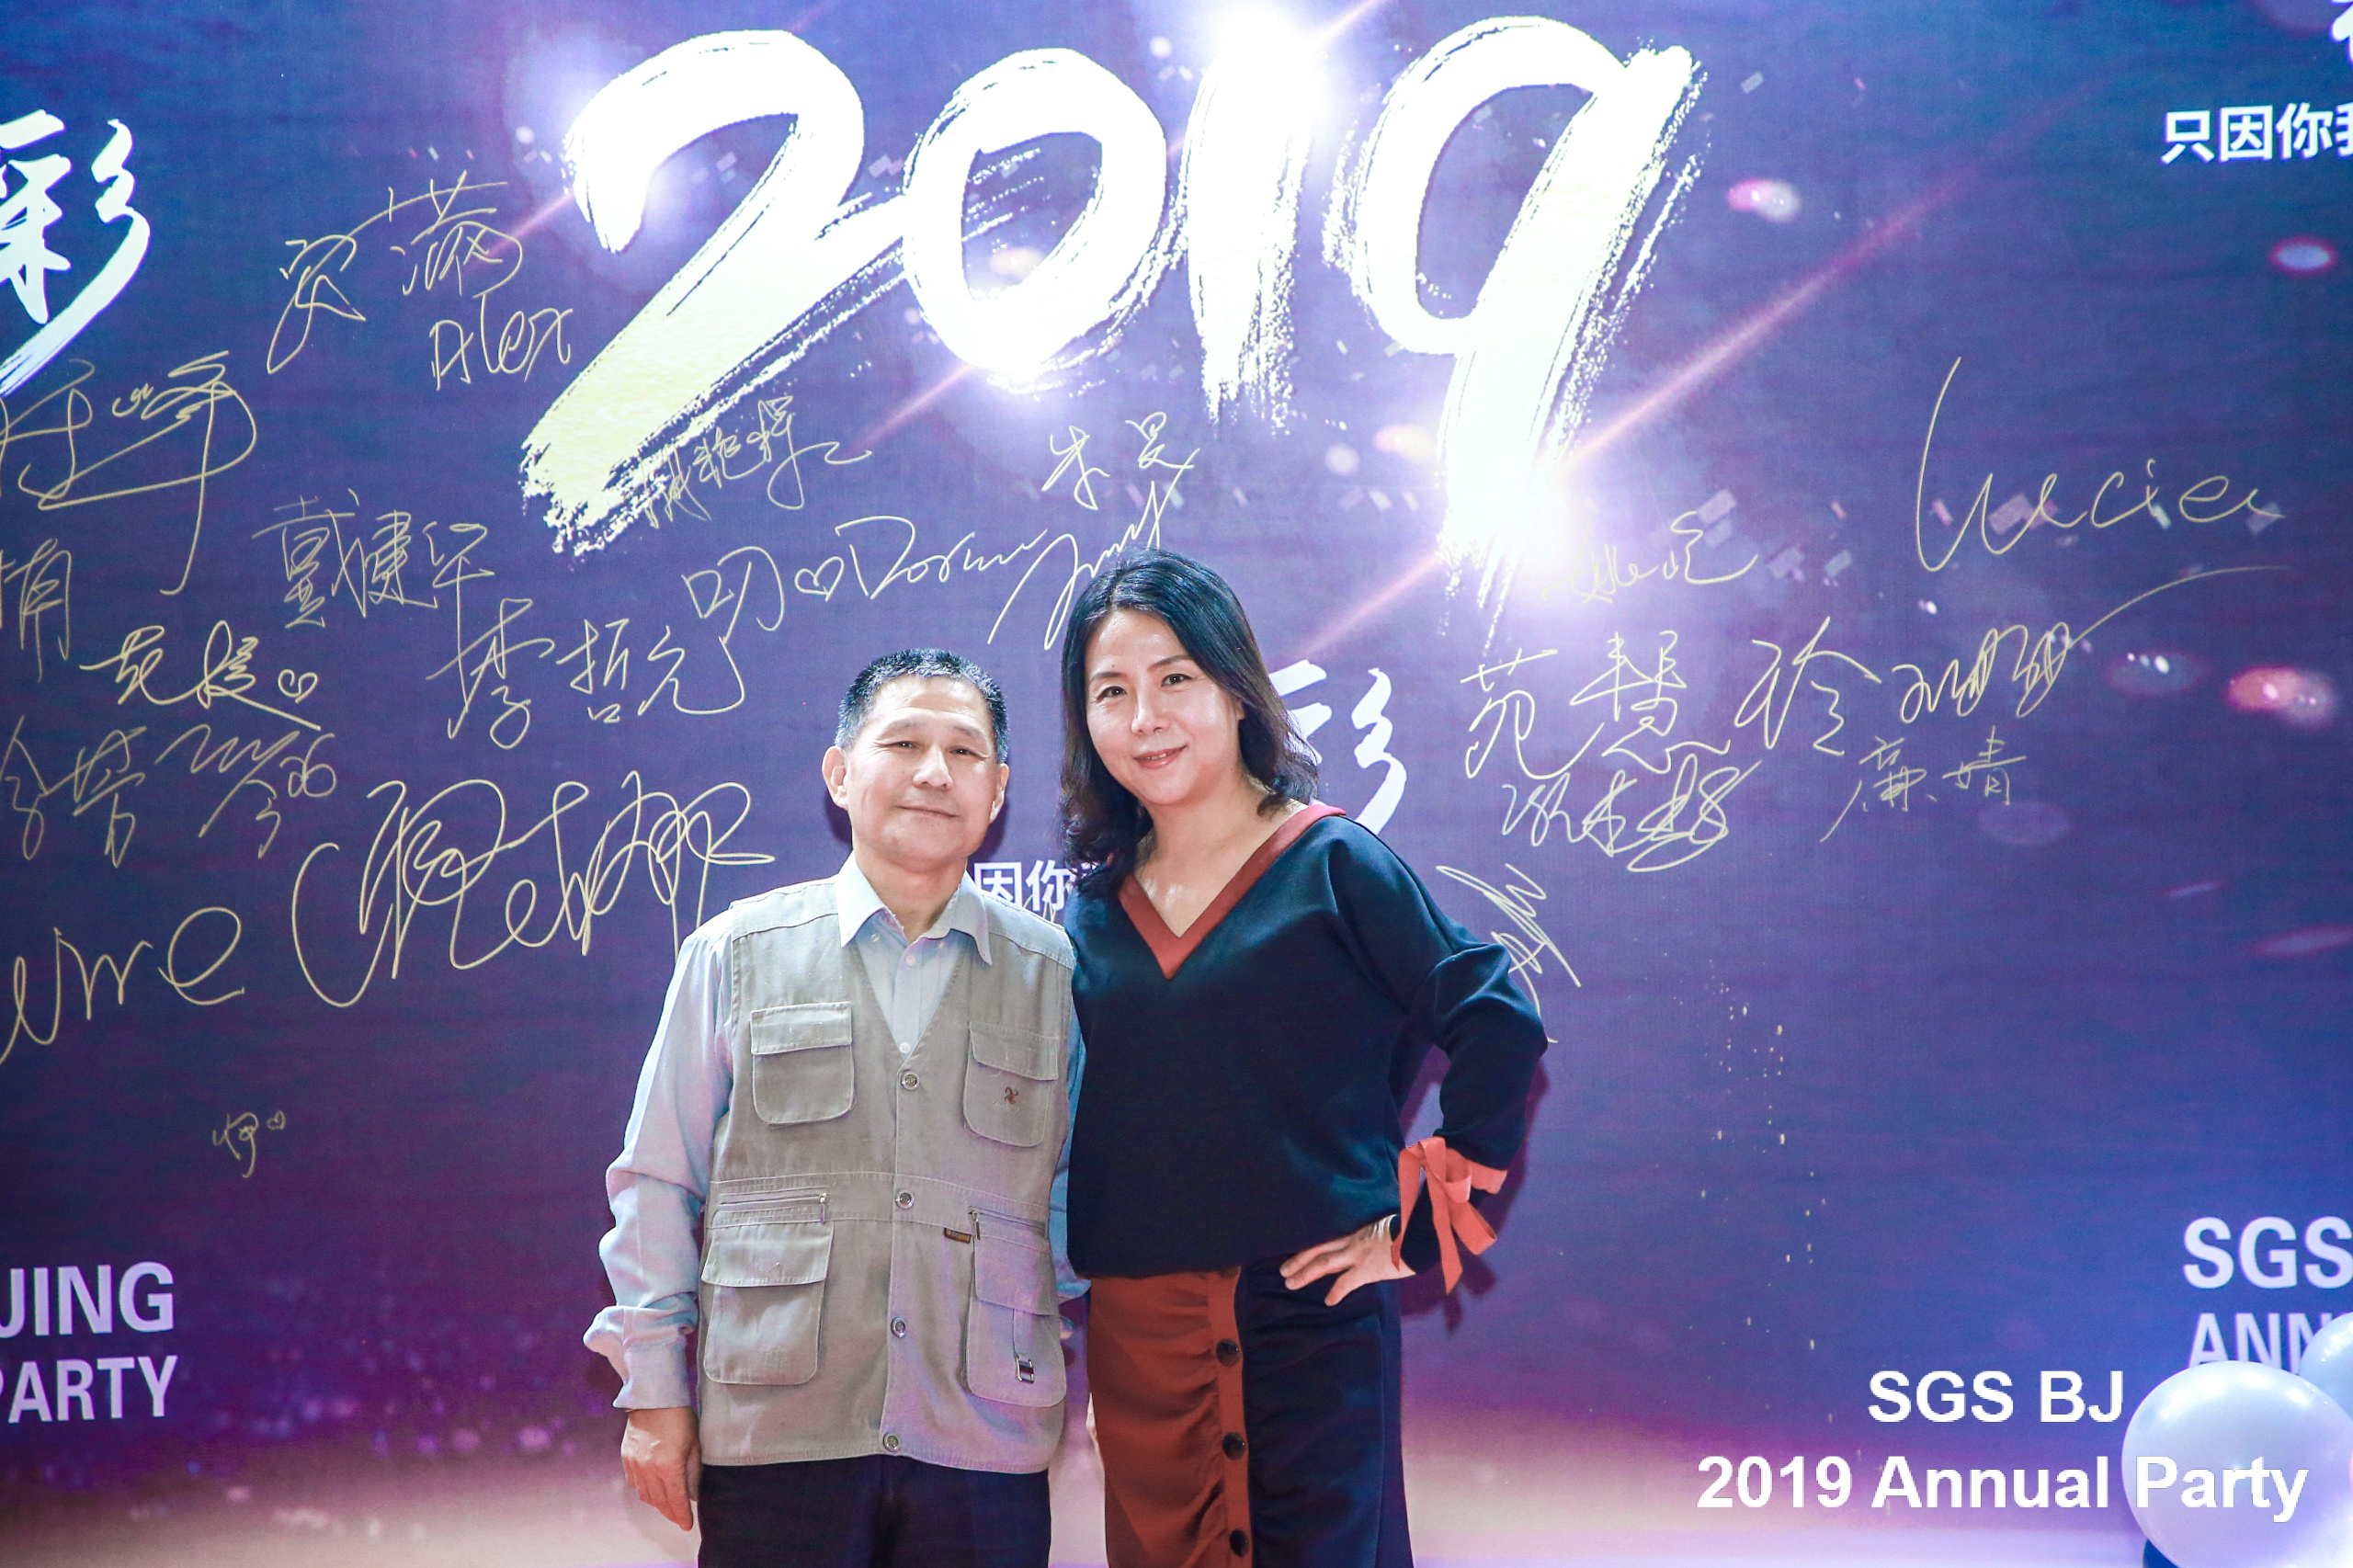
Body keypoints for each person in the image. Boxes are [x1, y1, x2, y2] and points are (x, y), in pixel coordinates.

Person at [1057, 551, 1548, 1568]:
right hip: (1144, 1350)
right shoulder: (1093, 910)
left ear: (1237, 689)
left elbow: (1496, 1016)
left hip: (1308, 1329)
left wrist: (1418, 1233)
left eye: (1175, 677)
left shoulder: (1333, 863)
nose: (1145, 717)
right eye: (1111, 691)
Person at [585, 649, 1086, 1568]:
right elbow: (657, 1181)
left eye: (964, 751)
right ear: (840, 771)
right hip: (778, 1436)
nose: (934, 772)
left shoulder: (1057, 977)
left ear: (998, 789)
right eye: (903, 743)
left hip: (983, 1444)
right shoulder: (734, 954)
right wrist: (654, 1391)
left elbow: (1080, 1201)